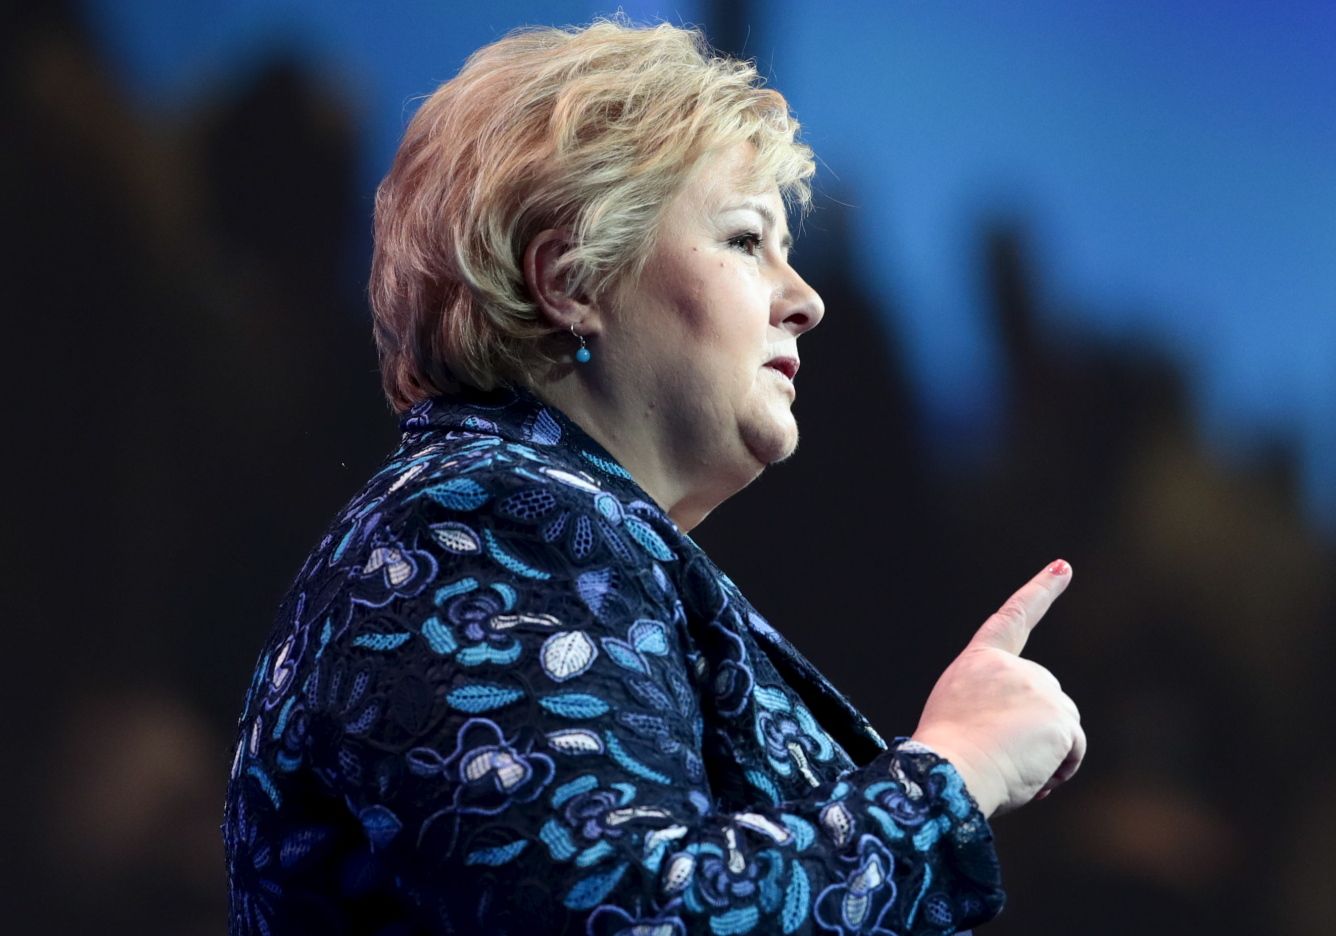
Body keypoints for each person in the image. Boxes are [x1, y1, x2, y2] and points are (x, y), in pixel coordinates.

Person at [223, 19, 1084, 935]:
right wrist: (953, 775)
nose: (807, 300)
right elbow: (625, 916)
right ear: (571, 280)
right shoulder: (478, 532)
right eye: (747, 240)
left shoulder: (540, 532)